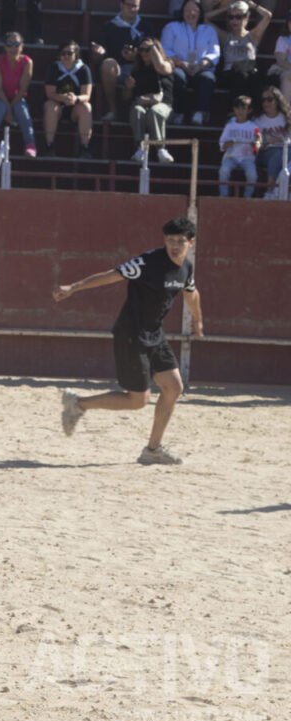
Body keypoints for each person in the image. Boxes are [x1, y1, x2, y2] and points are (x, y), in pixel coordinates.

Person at [53, 215, 203, 466]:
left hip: (155, 332)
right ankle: (77, 403)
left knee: (174, 387)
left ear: (191, 242)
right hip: (131, 334)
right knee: (138, 400)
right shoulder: (148, 262)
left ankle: (152, 449)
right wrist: (74, 287)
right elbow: (112, 275)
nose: (174, 245)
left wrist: (197, 319)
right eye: (170, 240)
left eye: (180, 241)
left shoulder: (186, 267)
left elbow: (192, 292)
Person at [89, 0, 151, 122]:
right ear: (121, 5)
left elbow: (153, 52)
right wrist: (98, 53)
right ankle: (113, 110)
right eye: (129, 5)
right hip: (117, 69)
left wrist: (136, 57)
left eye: (135, 6)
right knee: (107, 64)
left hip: (139, 68)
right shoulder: (109, 26)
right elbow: (99, 57)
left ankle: (144, 112)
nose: (132, 9)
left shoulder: (146, 27)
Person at [161, 0, 219, 125]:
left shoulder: (209, 30)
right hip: (179, 66)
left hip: (201, 67)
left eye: (195, 10)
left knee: (208, 78)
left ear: (200, 13)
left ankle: (200, 113)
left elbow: (214, 52)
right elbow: (165, 49)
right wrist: (181, 63)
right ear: (182, 12)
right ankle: (178, 113)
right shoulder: (172, 27)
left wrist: (201, 65)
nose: (191, 13)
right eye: (187, 10)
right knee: (178, 77)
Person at [207, 0, 272, 107]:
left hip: (250, 73)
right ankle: (234, 113)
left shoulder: (253, 35)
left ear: (246, 17)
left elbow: (268, 16)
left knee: (255, 78)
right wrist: (225, 9)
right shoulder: (225, 37)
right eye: (231, 17)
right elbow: (205, 19)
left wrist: (253, 5)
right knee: (241, 77)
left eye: (238, 16)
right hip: (230, 74)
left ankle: (256, 114)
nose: (234, 20)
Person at [0, 31, 36, 156]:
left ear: (22, 46)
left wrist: (10, 110)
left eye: (17, 44)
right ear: (4, 46)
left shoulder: (28, 62)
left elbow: (22, 90)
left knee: (22, 110)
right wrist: (8, 110)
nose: (13, 47)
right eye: (9, 44)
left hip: (17, 100)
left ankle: (30, 145)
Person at [125, 37, 175, 162]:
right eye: (141, 50)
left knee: (155, 111)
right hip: (142, 104)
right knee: (137, 110)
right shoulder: (136, 70)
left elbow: (160, 67)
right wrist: (128, 88)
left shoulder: (168, 64)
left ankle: (160, 148)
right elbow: (126, 97)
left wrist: (152, 47)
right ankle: (140, 147)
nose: (144, 53)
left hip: (163, 105)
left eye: (147, 50)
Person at [41, 40, 94, 157]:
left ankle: (84, 147)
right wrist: (62, 98)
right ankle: (49, 145)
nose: (66, 56)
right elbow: (49, 93)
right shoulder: (54, 67)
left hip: (75, 107)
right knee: (50, 106)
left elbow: (87, 95)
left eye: (69, 53)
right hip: (58, 105)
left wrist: (76, 98)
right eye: (63, 53)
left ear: (76, 55)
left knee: (86, 107)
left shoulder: (84, 69)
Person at [217, 94, 259, 196]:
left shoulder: (254, 127)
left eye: (243, 108)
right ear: (234, 109)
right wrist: (229, 143)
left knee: (252, 175)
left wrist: (256, 143)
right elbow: (222, 145)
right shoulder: (229, 126)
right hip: (231, 156)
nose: (240, 111)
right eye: (237, 108)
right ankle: (223, 196)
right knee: (224, 171)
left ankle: (247, 196)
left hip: (247, 158)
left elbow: (257, 144)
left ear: (249, 110)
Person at [255, 87, 289, 195]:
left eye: (269, 99)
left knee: (284, 153)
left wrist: (280, 139)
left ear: (277, 100)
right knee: (278, 153)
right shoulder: (258, 120)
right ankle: (269, 191)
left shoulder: (287, 117)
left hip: (287, 151)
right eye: (263, 100)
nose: (266, 103)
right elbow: (257, 144)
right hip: (265, 153)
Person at [267, 16, 291, 103]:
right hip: (286, 69)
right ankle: (287, 111)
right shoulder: (283, 40)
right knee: (289, 75)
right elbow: (281, 61)